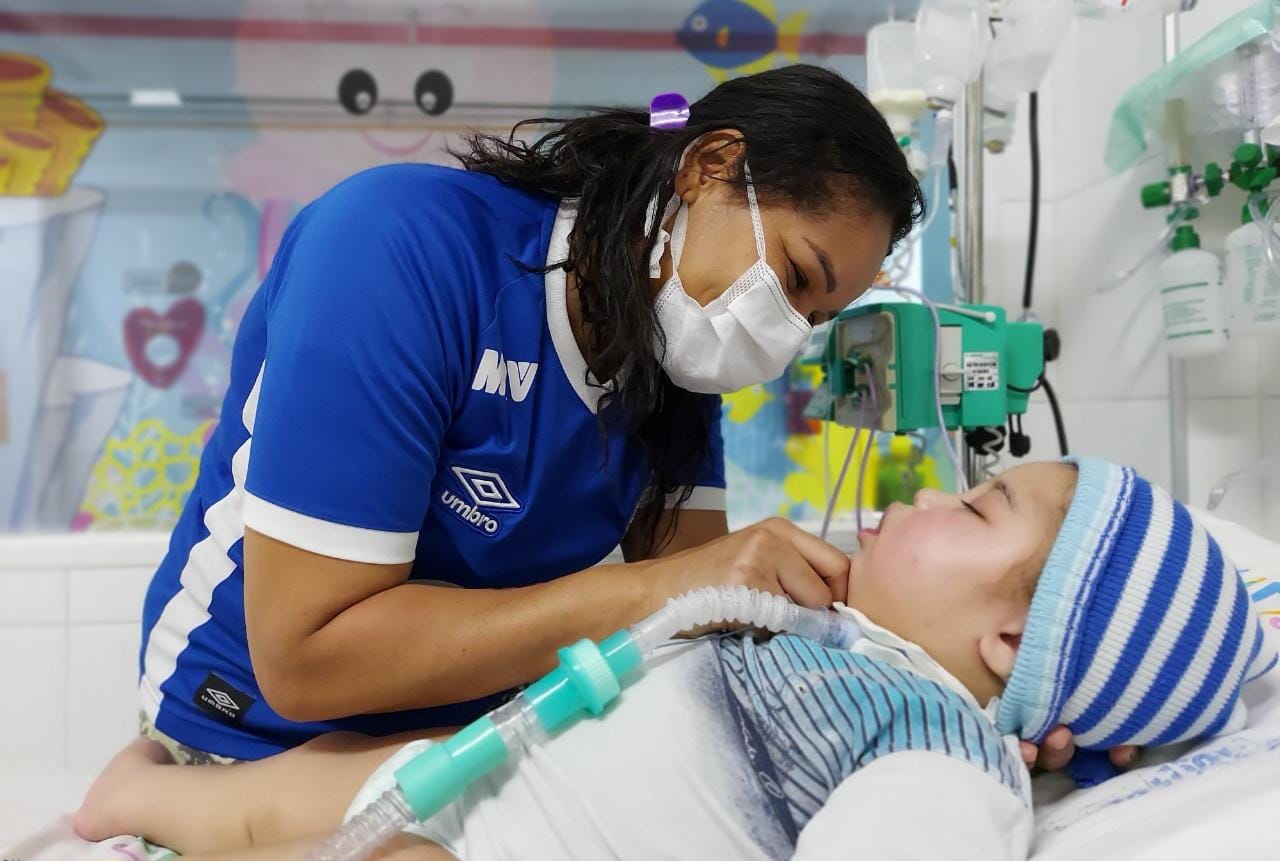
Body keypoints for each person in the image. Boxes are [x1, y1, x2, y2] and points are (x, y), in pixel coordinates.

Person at [128, 63, 923, 768]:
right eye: (795, 275)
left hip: (450, 744)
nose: (782, 334)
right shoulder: (398, 250)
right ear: (708, 166)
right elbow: (306, 660)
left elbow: (703, 623)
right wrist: (672, 585)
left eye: (814, 318)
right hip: (248, 730)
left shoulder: (670, 362)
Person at [76, 458, 1273, 860]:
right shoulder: (826, 630)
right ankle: (133, 801)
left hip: (510, 844)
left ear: (1009, 643)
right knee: (312, 780)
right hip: (486, 776)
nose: (916, 497)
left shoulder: (939, 751)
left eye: (970, 508)